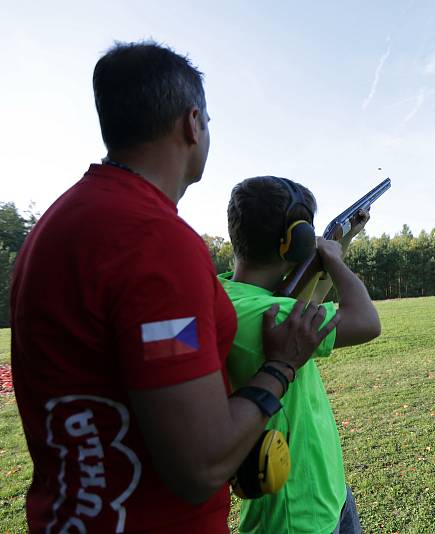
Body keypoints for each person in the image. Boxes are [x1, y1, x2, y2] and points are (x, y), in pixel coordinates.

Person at [10, 41, 337, 533]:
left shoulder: (57, 225)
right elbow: (201, 466)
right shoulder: (154, 241)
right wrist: (280, 366)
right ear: (192, 123)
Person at [221, 176, 381, 534]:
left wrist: (344, 239)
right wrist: (334, 259)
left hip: (324, 492)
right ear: (298, 241)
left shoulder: (230, 294)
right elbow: (366, 321)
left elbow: (303, 301)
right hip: (299, 517)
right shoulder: (268, 314)